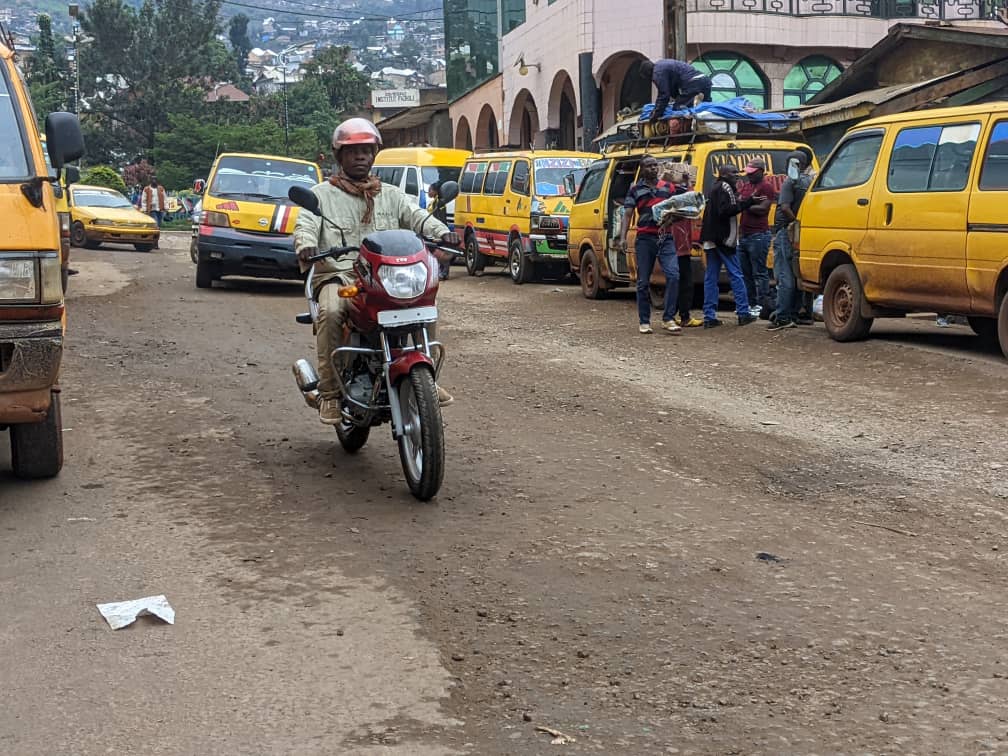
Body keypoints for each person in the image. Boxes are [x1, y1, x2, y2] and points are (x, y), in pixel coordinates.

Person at [293, 118, 460, 425]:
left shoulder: (391, 194)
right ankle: (330, 393)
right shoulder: (321, 195)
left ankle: (427, 380)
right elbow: (305, 224)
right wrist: (305, 245)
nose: (361, 157)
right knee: (330, 312)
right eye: (353, 151)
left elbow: (418, 218)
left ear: (374, 155)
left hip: (384, 276)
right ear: (339, 156)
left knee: (426, 305)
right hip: (340, 275)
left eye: (367, 151)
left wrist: (443, 232)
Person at [617, 155, 680, 335]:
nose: (653, 168)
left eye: (655, 165)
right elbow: (627, 214)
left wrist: (672, 218)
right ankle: (644, 321)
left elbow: (677, 209)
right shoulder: (635, 190)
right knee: (643, 281)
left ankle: (668, 318)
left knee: (674, 275)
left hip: (665, 237)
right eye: (649, 166)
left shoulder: (668, 187)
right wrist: (622, 237)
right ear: (642, 169)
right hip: (645, 239)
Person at [699, 163, 759, 328]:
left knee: (711, 276)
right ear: (724, 174)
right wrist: (748, 202)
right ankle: (743, 313)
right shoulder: (725, 187)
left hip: (711, 238)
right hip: (724, 239)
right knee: (736, 274)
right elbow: (726, 210)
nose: (737, 175)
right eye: (733, 173)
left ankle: (709, 316)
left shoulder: (715, 187)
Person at [769, 148, 814, 331]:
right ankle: (796, 313)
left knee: (784, 275)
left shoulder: (790, 182)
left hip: (786, 231)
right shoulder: (810, 181)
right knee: (796, 275)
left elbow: (785, 207)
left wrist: (794, 221)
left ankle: (783, 316)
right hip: (800, 233)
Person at [659, 166, 703, 328]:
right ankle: (681, 316)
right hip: (676, 245)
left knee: (680, 281)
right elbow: (691, 200)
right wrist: (687, 183)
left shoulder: (671, 193)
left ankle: (677, 315)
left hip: (681, 245)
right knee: (682, 282)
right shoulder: (674, 195)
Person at [736, 158, 777, 318]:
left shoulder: (766, 186)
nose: (749, 175)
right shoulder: (747, 185)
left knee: (759, 273)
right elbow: (740, 201)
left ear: (761, 171)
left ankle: (762, 305)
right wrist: (746, 203)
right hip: (744, 235)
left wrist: (745, 204)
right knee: (745, 272)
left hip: (758, 235)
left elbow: (763, 209)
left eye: (752, 173)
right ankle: (751, 303)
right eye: (748, 172)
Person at [639, 58, 712, 122]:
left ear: (648, 73)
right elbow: (673, 91)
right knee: (707, 109)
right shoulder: (662, 65)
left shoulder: (657, 72)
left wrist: (655, 115)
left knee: (678, 110)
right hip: (704, 80)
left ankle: (684, 134)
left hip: (693, 82)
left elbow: (664, 95)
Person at [426, 181, 451, 281]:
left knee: (443, 252)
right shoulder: (434, 202)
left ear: (435, 191)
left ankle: (444, 273)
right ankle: (440, 271)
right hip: (433, 230)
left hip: (439, 230)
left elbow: (440, 218)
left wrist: (440, 233)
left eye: (430, 190)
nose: (428, 192)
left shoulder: (439, 202)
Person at [141, 176, 167, 247]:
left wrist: (166, 208)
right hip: (152, 210)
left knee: (158, 227)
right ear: (150, 181)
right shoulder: (147, 189)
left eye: (155, 179)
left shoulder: (161, 189)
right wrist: (144, 209)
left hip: (160, 210)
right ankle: (153, 242)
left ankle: (155, 242)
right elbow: (143, 200)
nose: (154, 181)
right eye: (152, 179)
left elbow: (165, 198)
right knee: (156, 225)